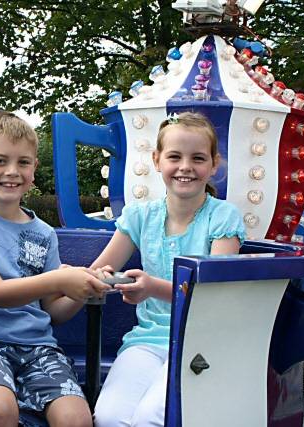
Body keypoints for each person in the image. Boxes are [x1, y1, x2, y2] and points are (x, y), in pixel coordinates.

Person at [0, 110, 110, 427]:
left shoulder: (44, 234)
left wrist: (82, 290)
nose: (12, 171)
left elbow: (53, 312)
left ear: (34, 169)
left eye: (23, 162)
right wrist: (59, 277)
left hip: (37, 348)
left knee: (77, 418)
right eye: (0, 160)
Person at [91, 112, 246, 427]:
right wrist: (71, 279)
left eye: (198, 158)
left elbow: (212, 296)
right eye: (175, 156)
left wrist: (151, 288)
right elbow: (100, 271)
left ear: (213, 165)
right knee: (108, 418)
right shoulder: (140, 216)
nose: (186, 166)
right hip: (147, 339)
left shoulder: (223, 218)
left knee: (151, 418)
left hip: (201, 341)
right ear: (157, 160)